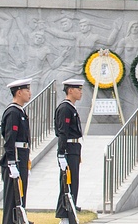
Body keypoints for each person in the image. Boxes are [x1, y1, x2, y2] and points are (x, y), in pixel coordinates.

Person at [0, 78, 31, 224]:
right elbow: (10, 139)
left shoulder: (20, 111)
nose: (29, 93)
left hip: (22, 158)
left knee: (20, 197)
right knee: (12, 199)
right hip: (15, 159)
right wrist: (12, 162)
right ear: (19, 92)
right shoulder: (13, 112)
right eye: (27, 90)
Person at [55, 78, 84, 224]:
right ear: (70, 90)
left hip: (74, 148)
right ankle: (65, 215)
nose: (81, 92)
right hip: (68, 149)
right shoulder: (65, 108)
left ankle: (70, 212)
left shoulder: (71, 108)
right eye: (78, 89)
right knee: (67, 183)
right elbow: (62, 132)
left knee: (73, 182)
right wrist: (61, 154)